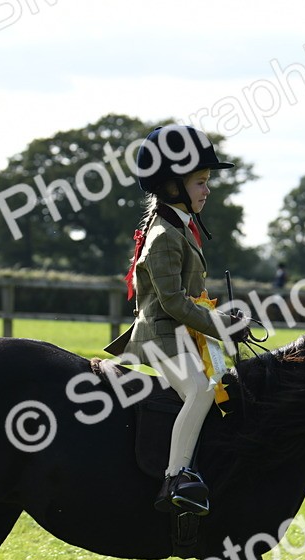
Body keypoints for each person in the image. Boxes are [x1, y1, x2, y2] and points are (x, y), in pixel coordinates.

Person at [105, 125, 249, 515]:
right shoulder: (165, 236)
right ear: (172, 186)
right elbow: (171, 304)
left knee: (226, 386)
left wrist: (222, 318)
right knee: (202, 390)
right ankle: (176, 477)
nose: (208, 190)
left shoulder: (179, 228)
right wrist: (221, 326)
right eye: (201, 182)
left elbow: (190, 300)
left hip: (184, 335)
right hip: (161, 337)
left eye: (206, 182)